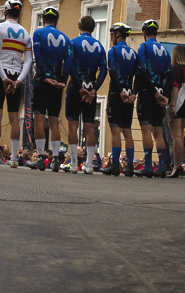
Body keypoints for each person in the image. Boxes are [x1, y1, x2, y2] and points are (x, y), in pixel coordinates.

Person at [0, 0, 32, 167]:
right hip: (16, 74)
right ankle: (13, 158)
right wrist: (19, 80)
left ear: (5, 11)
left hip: (1, 74)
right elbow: (29, 61)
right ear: (19, 13)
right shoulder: (26, 33)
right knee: (14, 117)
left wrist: (3, 77)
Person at [65, 15, 107, 174]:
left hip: (76, 86)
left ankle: (74, 163)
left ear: (79, 26)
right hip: (91, 86)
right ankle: (89, 165)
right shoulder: (100, 46)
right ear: (93, 28)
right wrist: (94, 89)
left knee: (72, 124)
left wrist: (79, 86)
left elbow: (69, 65)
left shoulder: (73, 42)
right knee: (90, 125)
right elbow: (103, 71)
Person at [30, 6, 69, 171]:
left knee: (39, 119)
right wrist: (63, 81)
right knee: (54, 121)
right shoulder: (65, 38)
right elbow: (68, 62)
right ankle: (55, 161)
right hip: (57, 81)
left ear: (43, 20)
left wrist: (45, 75)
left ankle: (40, 157)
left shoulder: (38, 33)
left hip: (42, 79)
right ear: (57, 21)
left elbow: (37, 56)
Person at [134, 20, 172, 177]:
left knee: (146, 130)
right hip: (161, 93)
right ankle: (162, 167)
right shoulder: (164, 50)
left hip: (147, 92)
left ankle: (148, 166)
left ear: (144, 32)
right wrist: (165, 96)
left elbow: (142, 70)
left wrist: (154, 92)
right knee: (158, 131)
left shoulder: (143, 47)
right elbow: (170, 75)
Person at [102, 22, 137, 176]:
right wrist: (133, 93)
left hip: (117, 94)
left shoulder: (113, 51)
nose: (111, 38)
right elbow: (138, 75)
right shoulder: (134, 53)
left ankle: (115, 165)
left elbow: (112, 72)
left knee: (115, 130)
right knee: (127, 131)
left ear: (117, 34)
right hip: (129, 93)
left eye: (111, 35)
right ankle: (130, 167)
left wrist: (120, 91)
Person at [166, 46, 185, 178]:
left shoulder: (177, 67)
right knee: (179, 136)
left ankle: (176, 166)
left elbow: (176, 87)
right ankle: (179, 164)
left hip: (178, 102)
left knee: (175, 136)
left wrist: (172, 105)